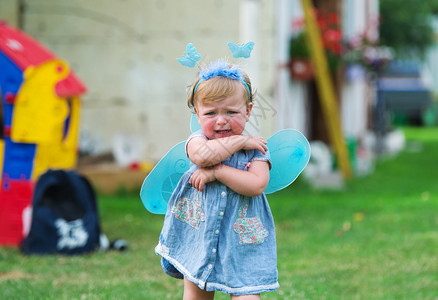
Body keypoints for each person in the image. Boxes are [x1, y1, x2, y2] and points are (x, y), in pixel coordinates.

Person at [155, 59, 279, 299]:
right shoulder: (197, 141)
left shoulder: (256, 150)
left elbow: (256, 185)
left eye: (231, 112)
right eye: (211, 113)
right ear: (197, 115)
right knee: (196, 291)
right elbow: (203, 157)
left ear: (248, 111)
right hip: (199, 233)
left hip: (242, 239)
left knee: (247, 292)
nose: (221, 120)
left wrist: (217, 173)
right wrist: (240, 141)